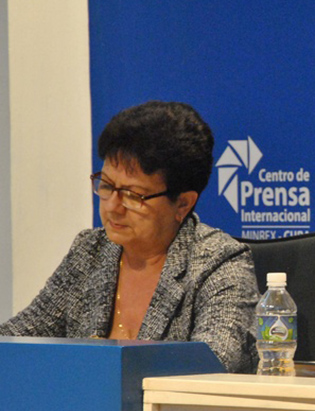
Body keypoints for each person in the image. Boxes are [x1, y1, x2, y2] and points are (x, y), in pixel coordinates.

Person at [0, 101, 260, 373]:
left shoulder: (220, 264)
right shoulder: (91, 251)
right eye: (107, 185)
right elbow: (18, 338)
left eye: (133, 195)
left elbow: (212, 365)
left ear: (182, 204)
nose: (113, 206)